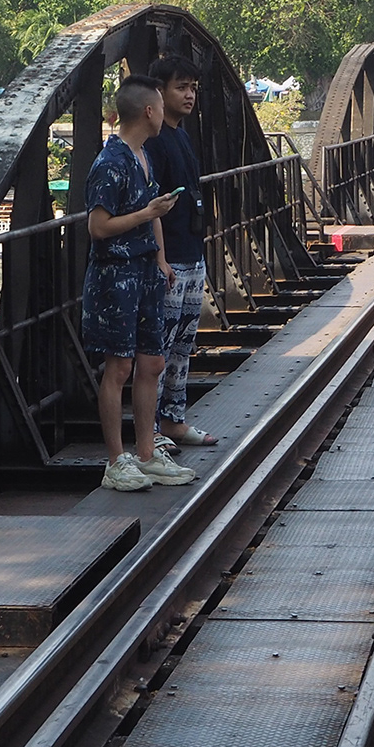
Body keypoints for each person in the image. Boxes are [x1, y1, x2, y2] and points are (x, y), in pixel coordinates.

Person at [81, 75, 198, 492]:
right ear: (148, 111)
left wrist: (161, 257)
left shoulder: (143, 156)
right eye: (160, 107)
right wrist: (146, 215)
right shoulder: (110, 162)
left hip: (146, 272)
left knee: (152, 362)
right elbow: (98, 226)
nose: (166, 112)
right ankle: (116, 461)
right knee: (119, 366)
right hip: (117, 276)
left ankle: (147, 454)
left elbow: (154, 214)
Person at [146, 55, 221, 454]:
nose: (190, 95)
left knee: (183, 343)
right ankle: (151, 429)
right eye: (181, 87)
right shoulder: (154, 140)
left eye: (193, 87)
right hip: (169, 258)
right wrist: (159, 258)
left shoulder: (182, 135)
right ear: (158, 90)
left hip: (192, 253)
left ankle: (174, 418)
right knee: (159, 346)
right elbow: (152, 204)